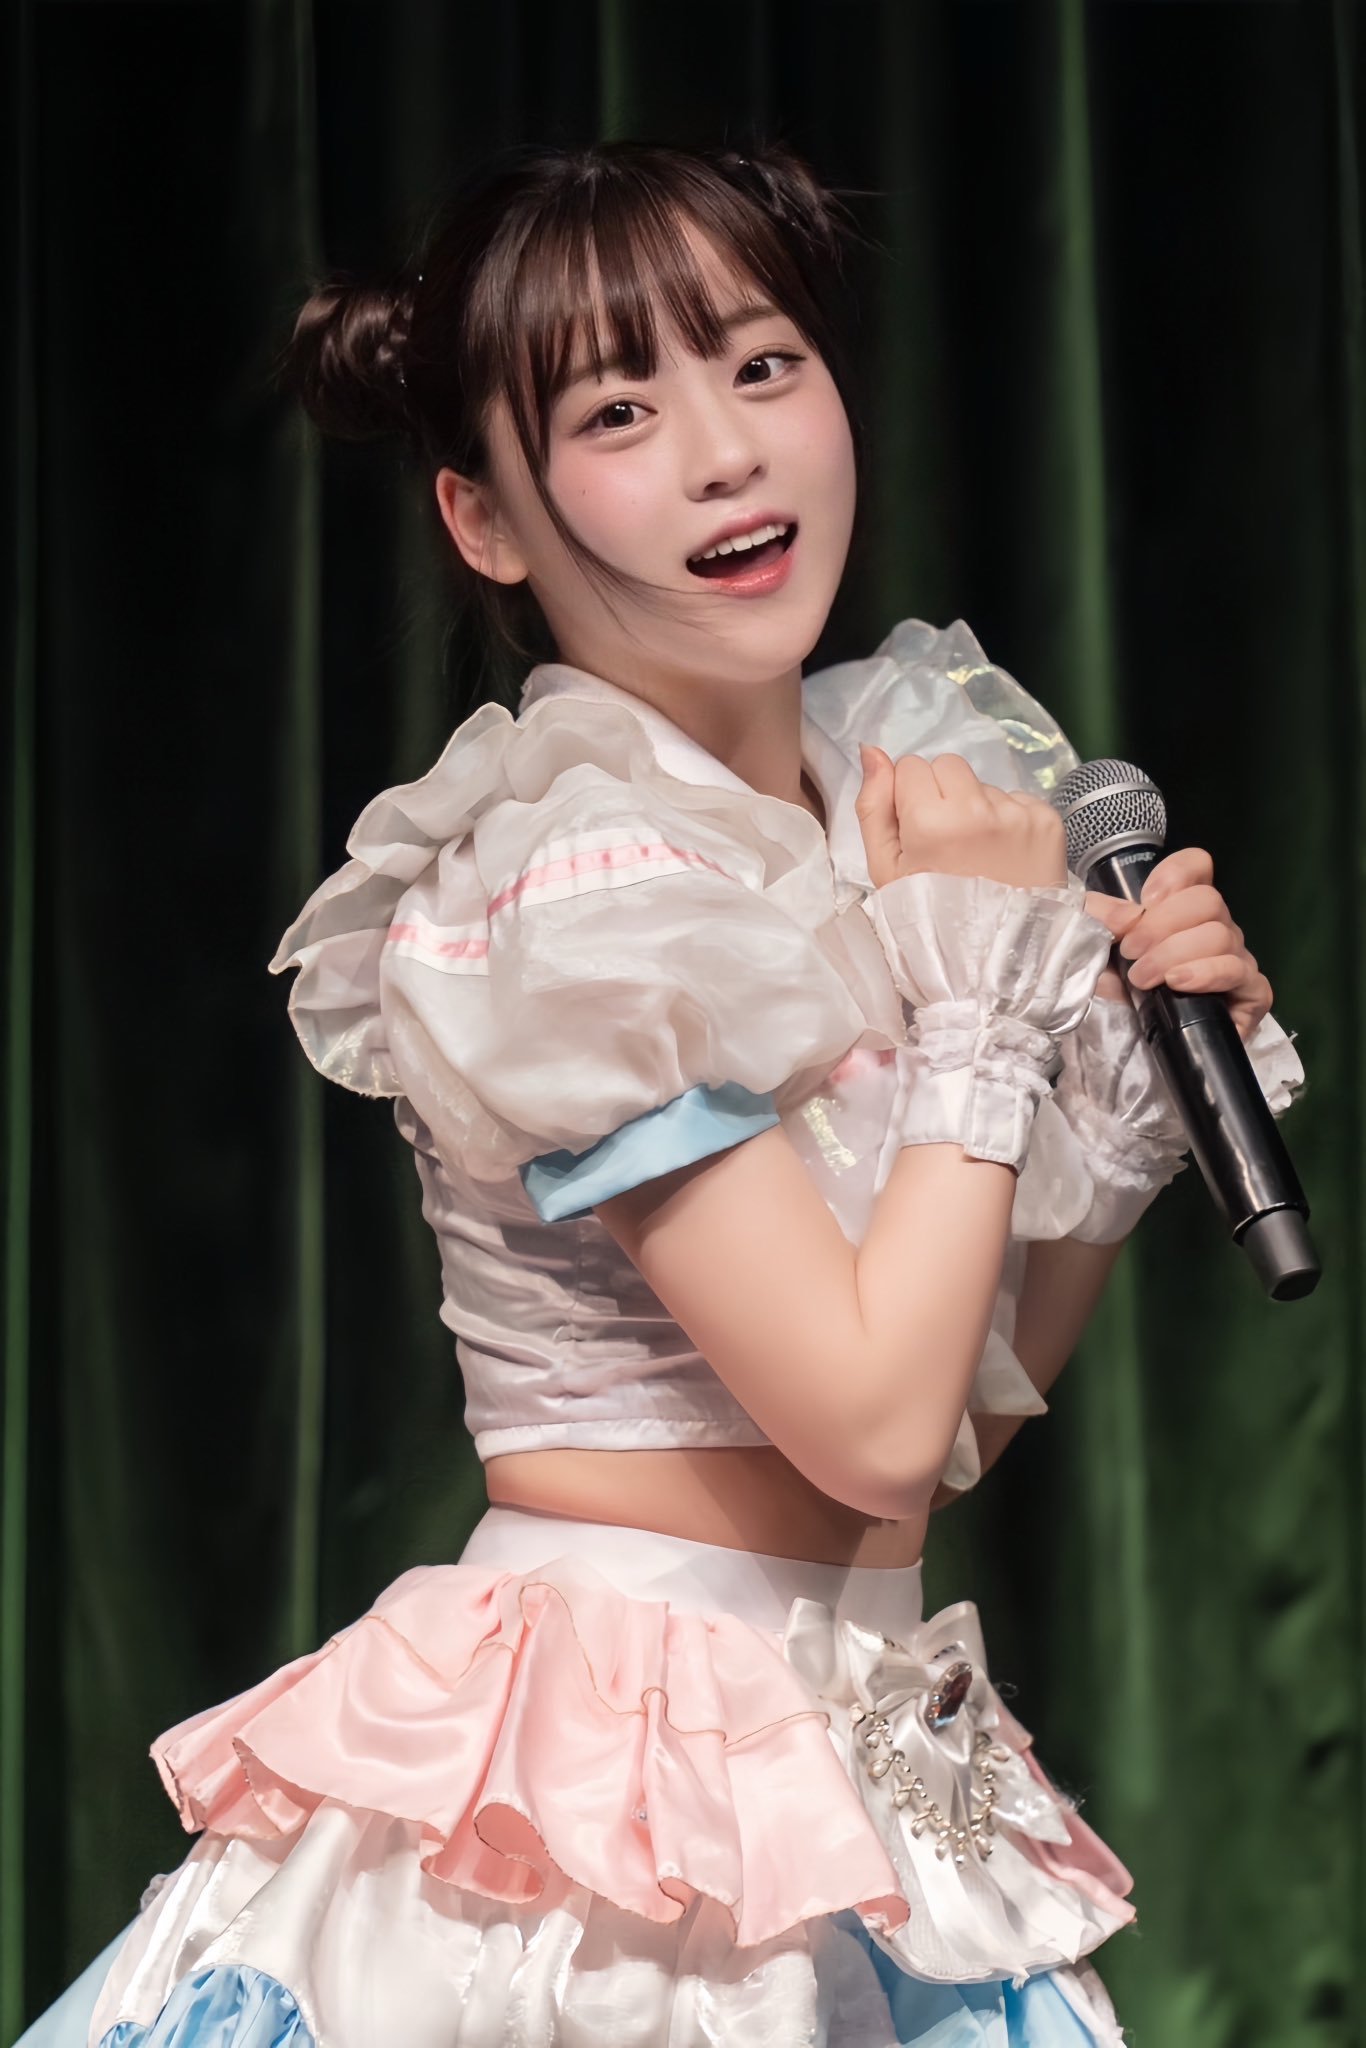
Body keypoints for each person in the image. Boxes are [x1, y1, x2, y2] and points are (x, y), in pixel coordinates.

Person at [21, 140, 1302, 2048]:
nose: (724, 452)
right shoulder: (577, 879)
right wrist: (980, 1007)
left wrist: (1112, 1121)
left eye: (763, 366)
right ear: (483, 518)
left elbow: (942, 1425)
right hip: (608, 1788)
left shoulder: (883, 796)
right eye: (619, 411)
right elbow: (870, 1430)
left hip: (851, 1740)